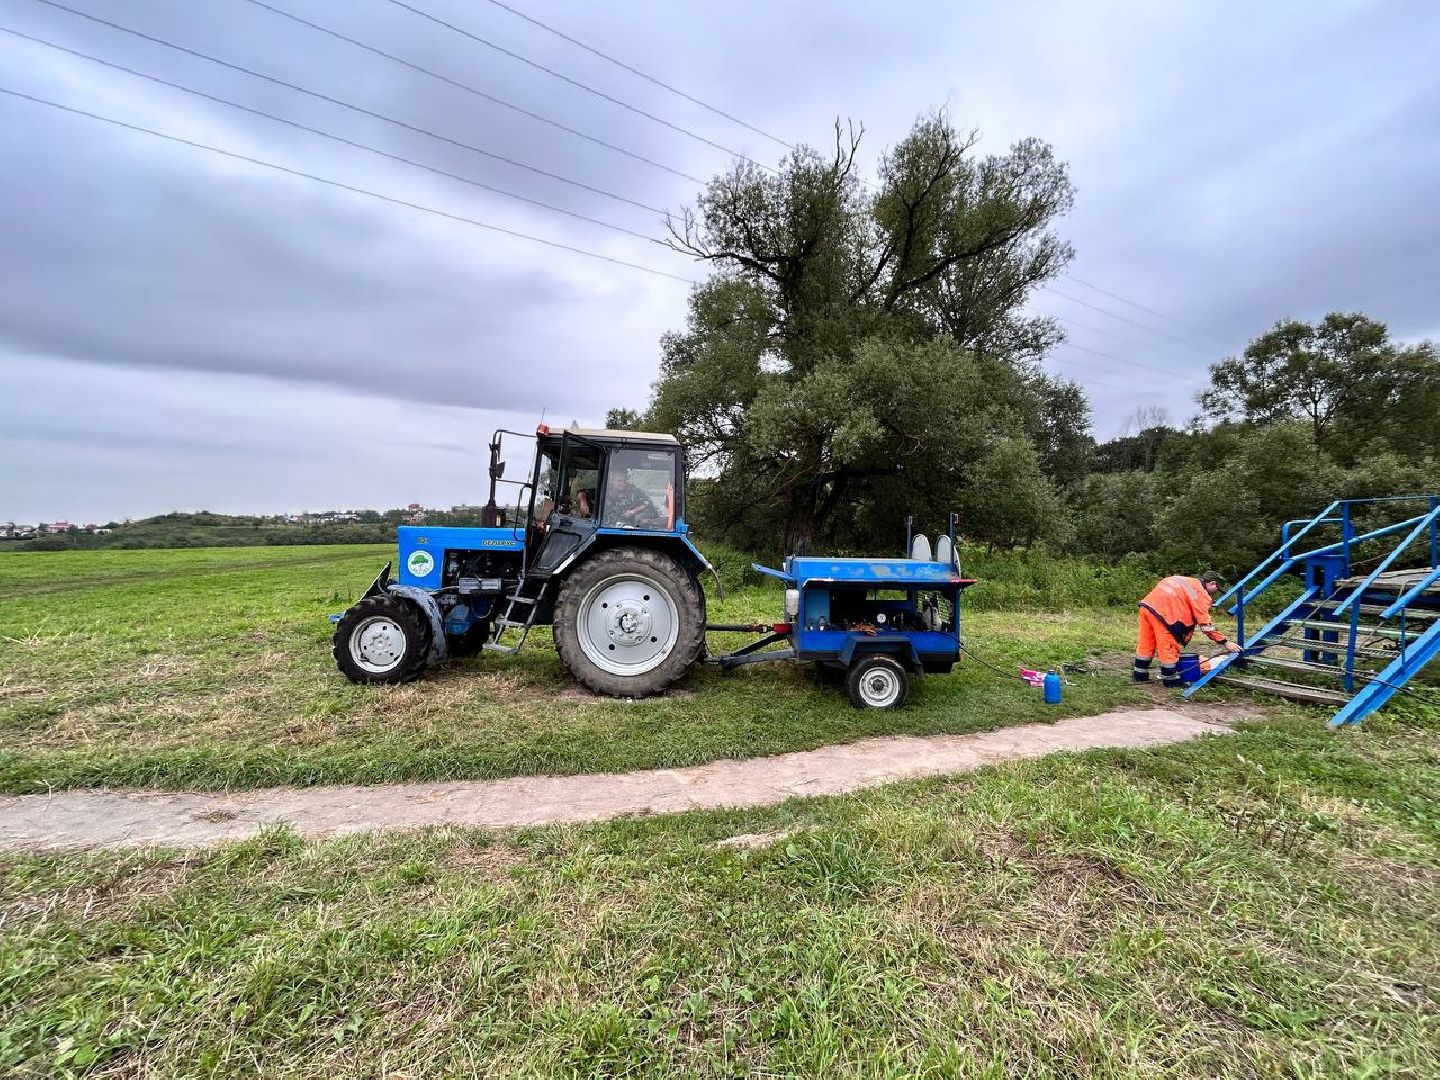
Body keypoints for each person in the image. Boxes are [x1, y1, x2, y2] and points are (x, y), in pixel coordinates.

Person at [1135, 571, 1242, 687]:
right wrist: (1225, 642)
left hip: (1146, 608)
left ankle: (1140, 675)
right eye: (1217, 589)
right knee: (1168, 648)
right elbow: (1206, 625)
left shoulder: (1183, 580)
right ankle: (1171, 681)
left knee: (1146, 644)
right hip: (1164, 616)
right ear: (1212, 583)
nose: (1215, 593)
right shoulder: (1200, 594)